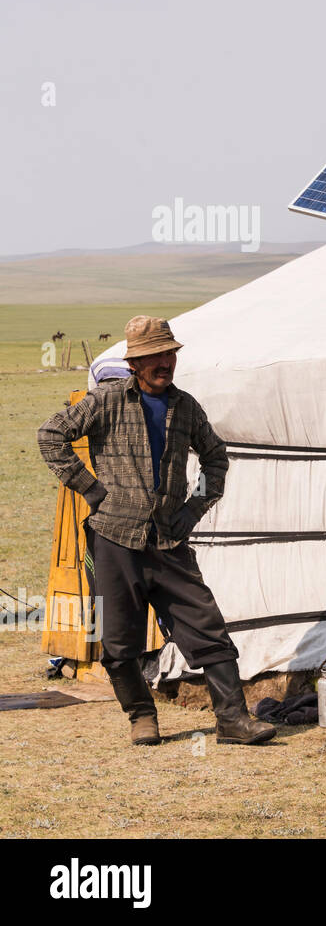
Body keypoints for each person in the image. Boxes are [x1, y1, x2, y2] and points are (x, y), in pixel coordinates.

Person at [36, 316, 275, 747]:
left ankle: (233, 721)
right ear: (135, 363)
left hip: (169, 540)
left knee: (209, 629)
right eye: (154, 356)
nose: (164, 362)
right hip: (114, 540)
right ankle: (141, 716)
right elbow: (51, 435)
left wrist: (194, 507)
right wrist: (90, 488)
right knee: (117, 643)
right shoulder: (106, 400)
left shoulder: (185, 406)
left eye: (169, 354)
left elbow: (215, 459)